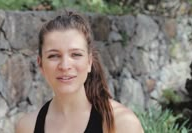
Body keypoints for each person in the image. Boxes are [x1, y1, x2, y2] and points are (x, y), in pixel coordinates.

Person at [16, 11, 144, 133]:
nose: (65, 66)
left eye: (76, 54)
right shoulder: (28, 127)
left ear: (89, 62)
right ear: (40, 64)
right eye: (54, 56)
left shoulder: (121, 123)